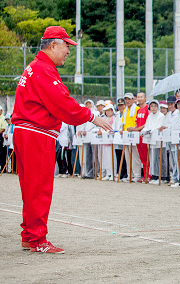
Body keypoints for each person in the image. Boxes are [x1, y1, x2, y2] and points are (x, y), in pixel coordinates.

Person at [11, 26, 111, 253]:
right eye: (66, 45)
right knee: (39, 188)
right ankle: (37, 239)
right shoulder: (44, 69)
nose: (68, 50)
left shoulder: (35, 67)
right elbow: (62, 103)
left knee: (30, 187)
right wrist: (92, 117)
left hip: (26, 131)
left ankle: (29, 235)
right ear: (53, 45)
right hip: (37, 133)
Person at [126, 92, 150, 183]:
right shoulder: (138, 110)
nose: (140, 99)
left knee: (147, 155)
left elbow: (145, 124)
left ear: (145, 98)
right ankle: (144, 175)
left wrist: (135, 129)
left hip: (144, 135)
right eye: (138, 97)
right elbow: (137, 122)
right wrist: (133, 128)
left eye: (141, 97)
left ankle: (149, 175)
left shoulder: (147, 109)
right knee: (142, 156)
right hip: (138, 136)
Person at [142, 100, 166, 183]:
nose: (153, 108)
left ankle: (162, 177)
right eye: (152, 106)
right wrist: (145, 131)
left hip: (159, 141)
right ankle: (155, 176)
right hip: (151, 140)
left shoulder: (161, 115)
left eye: (155, 106)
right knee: (153, 159)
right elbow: (146, 126)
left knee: (160, 159)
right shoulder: (149, 116)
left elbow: (159, 127)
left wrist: (150, 130)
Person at [121, 93, 142, 182]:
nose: (127, 101)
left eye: (129, 99)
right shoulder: (125, 110)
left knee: (135, 156)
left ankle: (137, 175)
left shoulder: (137, 109)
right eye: (126, 99)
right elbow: (123, 123)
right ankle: (130, 175)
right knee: (127, 156)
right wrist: (123, 130)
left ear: (133, 100)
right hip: (126, 135)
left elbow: (138, 122)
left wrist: (133, 129)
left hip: (134, 135)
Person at [99, 104, 121, 181]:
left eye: (109, 110)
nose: (108, 112)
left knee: (112, 157)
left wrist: (107, 131)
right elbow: (101, 128)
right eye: (106, 111)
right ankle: (108, 173)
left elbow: (113, 128)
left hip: (111, 140)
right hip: (105, 140)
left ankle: (113, 173)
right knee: (106, 157)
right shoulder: (104, 119)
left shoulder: (114, 118)